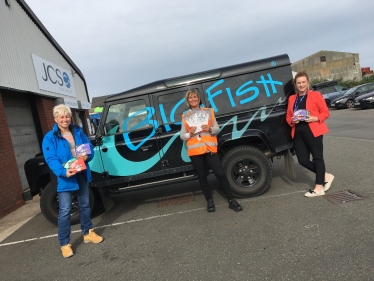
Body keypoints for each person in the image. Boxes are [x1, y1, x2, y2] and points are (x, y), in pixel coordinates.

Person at [42, 104, 103, 258]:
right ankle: (64, 243)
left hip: (81, 173)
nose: (65, 119)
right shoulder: (50, 138)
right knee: (64, 210)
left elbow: (89, 148)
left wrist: (87, 156)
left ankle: (88, 232)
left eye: (67, 116)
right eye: (61, 117)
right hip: (65, 178)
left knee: (84, 204)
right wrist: (63, 172)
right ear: (56, 119)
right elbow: (51, 159)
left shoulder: (78, 131)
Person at [180, 88, 243, 212]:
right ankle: (209, 201)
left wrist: (209, 129)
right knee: (202, 177)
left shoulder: (208, 112)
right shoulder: (185, 116)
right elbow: (182, 136)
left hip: (209, 149)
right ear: (188, 100)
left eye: (195, 97)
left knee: (220, 174)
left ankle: (231, 200)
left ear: (198, 99)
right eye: (190, 97)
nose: (193, 99)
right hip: (195, 152)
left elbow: (216, 129)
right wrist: (190, 134)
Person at [286, 71, 334, 197]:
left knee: (317, 158)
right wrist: (292, 120)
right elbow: (288, 116)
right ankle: (325, 176)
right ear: (295, 84)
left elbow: (325, 112)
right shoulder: (292, 98)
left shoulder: (315, 95)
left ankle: (319, 188)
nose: (301, 85)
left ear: (307, 83)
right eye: (298, 83)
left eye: (303, 82)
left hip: (313, 130)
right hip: (297, 132)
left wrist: (315, 118)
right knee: (303, 160)